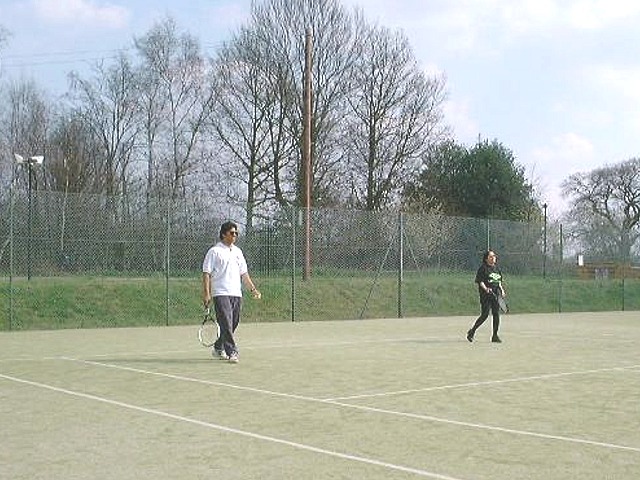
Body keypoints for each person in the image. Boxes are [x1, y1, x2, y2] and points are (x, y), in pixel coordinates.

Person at [202, 221, 261, 363]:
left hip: (236, 293)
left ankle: (218, 347)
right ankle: (232, 352)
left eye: (236, 233)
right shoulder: (214, 251)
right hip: (220, 293)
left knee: (233, 323)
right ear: (224, 234)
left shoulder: (238, 252)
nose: (235, 235)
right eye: (232, 233)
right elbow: (206, 273)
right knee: (226, 322)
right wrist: (207, 293)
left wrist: (253, 289)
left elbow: (244, 274)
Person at [466, 250, 506, 343]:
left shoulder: (497, 269)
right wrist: (486, 289)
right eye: (490, 256)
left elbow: (498, 281)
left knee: (496, 314)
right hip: (486, 296)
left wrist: (502, 290)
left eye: (494, 256)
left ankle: (495, 336)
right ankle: (472, 331)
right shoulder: (483, 269)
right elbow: (480, 281)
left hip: (496, 295)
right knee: (485, 315)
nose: (493, 258)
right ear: (486, 259)